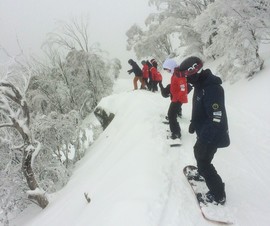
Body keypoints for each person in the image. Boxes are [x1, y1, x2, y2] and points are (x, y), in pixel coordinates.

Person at [179, 56, 230, 205]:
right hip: (205, 132)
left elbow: (216, 117)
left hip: (213, 134)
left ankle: (218, 194)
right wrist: (194, 123)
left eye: (187, 77)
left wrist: (205, 139)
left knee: (204, 162)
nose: (187, 80)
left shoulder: (212, 88)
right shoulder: (200, 85)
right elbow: (200, 108)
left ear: (195, 72)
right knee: (199, 153)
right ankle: (203, 172)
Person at [162, 58, 188, 139]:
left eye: (168, 69)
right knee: (171, 115)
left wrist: (177, 98)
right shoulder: (175, 74)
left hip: (178, 99)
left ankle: (176, 133)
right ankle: (175, 130)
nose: (168, 71)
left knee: (171, 115)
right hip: (175, 98)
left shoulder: (179, 75)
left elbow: (183, 89)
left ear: (172, 67)